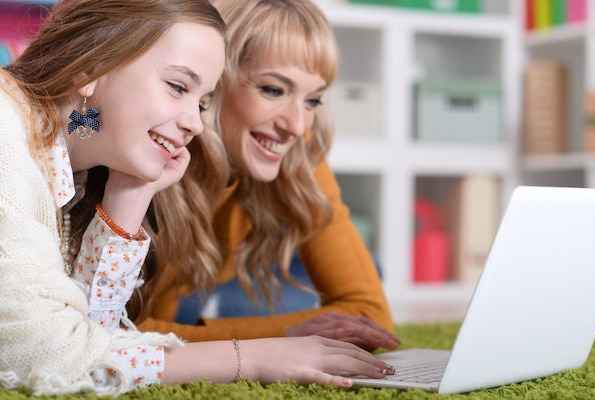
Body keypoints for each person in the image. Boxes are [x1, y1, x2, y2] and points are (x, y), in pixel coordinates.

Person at [0, 0, 394, 397]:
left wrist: (131, 191)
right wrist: (253, 357)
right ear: (91, 67)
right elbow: (52, 354)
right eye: (177, 87)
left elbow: (92, 332)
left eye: (202, 101)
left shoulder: (75, 161)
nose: (194, 122)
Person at [139, 0, 401, 353]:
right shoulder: (156, 151)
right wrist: (282, 336)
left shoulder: (294, 146)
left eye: (313, 100)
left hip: (237, 270)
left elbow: (371, 315)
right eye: (273, 90)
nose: (295, 126)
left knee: (370, 270)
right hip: (189, 288)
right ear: (214, 79)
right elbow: (121, 334)